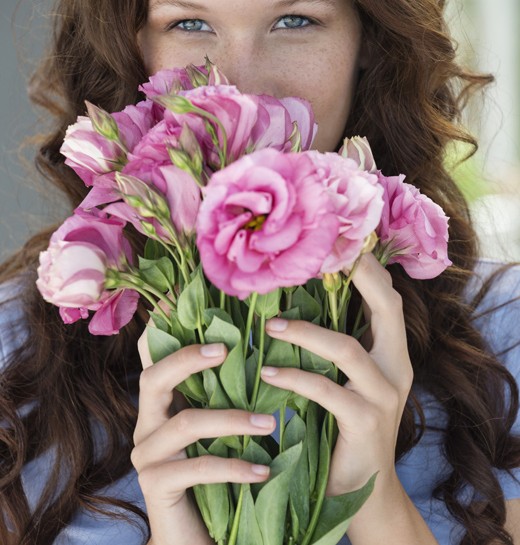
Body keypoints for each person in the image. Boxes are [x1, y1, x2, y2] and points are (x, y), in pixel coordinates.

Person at [0, 0, 519, 544]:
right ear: (131, 48)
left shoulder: (506, 336)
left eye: (296, 20)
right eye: (189, 23)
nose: (242, 82)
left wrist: (375, 503)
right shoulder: (15, 360)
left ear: (368, 40)